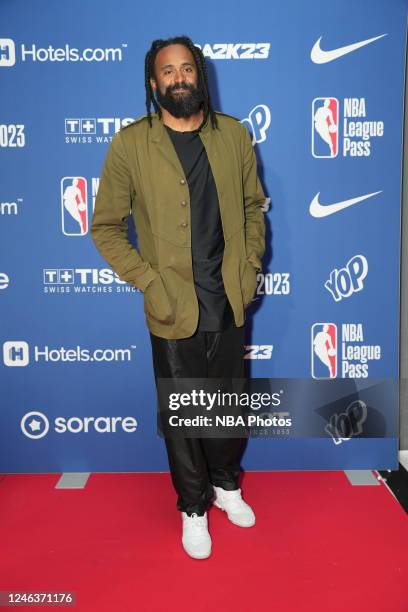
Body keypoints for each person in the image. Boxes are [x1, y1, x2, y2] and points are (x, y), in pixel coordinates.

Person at [90, 35, 266, 560]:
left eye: (187, 68)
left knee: (228, 406)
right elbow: (105, 227)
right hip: (171, 305)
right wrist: (147, 280)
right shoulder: (130, 144)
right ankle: (193, 507)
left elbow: (254, 207)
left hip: (229, 295)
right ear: (153, 83)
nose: (179, 78)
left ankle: (226, 485)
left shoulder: (233, 135)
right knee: (184, 413)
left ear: (200, 75)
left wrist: (251, 261)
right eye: (168, 71)